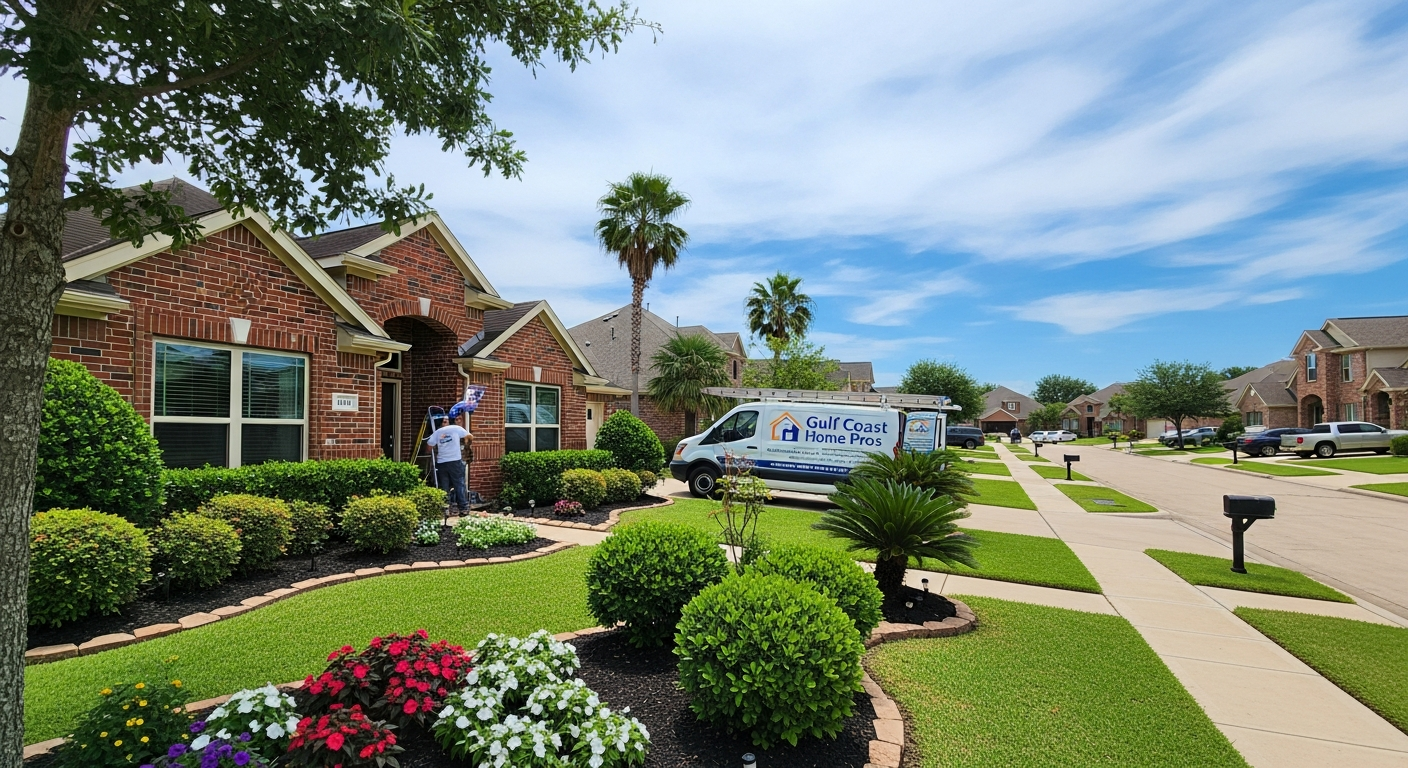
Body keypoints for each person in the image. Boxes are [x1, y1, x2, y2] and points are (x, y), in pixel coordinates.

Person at [426, 412, 472, 513]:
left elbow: (429, 447)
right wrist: (466, 443)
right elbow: (469, 436)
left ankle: (445, 508)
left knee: (444, 486)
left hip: (442, 462)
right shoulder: (456, 428)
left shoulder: (437, 432)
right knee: (459, 484)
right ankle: (463, 508)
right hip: (455, 461)